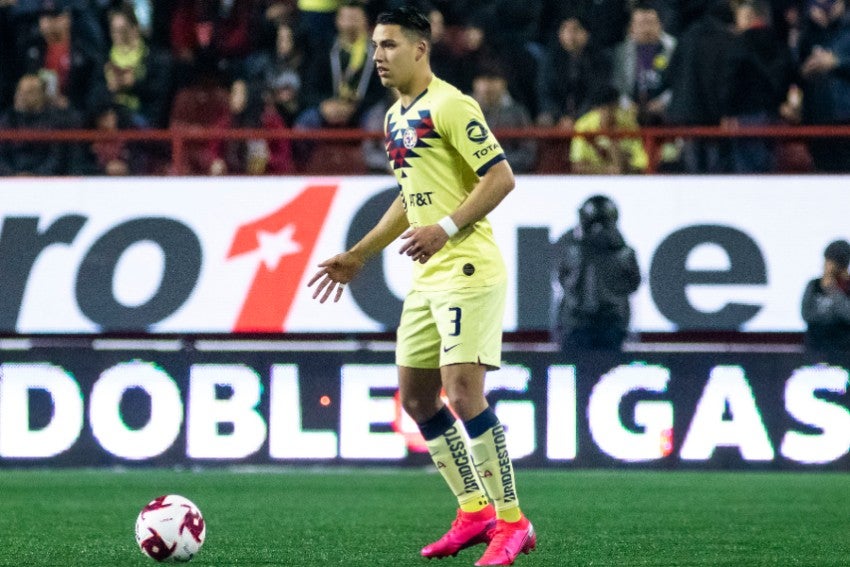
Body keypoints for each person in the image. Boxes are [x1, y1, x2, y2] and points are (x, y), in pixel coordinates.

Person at [307, 6, 536, 566]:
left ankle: (513, 522)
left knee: (462, 392)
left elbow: (501, 177)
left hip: (467, 268)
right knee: (415, 399)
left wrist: (446, 227)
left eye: (388, 45)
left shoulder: (452, 105)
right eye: (375, 46)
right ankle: (474, 510)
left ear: (419, 50)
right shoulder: (393, 118)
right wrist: (360, 254)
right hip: (427, 276)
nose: (378, 55)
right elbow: (411, 196)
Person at [552, 194, 641, 352]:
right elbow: (633, 284)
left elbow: (562, 280)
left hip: (580, 326)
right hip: (607, 326)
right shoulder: (624, 254)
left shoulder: (573, 251)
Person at [797, 0, 850, 172]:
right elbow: (795, 63)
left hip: (845, 118)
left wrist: (837, 63)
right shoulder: (809, 31)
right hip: (817, 118)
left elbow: (835, 62)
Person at [569, 84, 649, 174]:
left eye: (614, 108)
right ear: (596, 109)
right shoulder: (583, 126)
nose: (610, 113)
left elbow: (640, 165)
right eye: (605, 109)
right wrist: (607, 170)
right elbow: (577, 166)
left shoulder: (629, 125)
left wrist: (614, 145)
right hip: (592, 181)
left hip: (624, 180)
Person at [801, 239, 850, 357]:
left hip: (843, 349)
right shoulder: (814, 285)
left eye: (830, 261)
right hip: (815, 348)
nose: (825, 265)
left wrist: (833, 291)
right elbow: (806, 314)